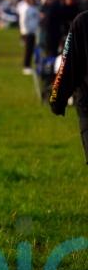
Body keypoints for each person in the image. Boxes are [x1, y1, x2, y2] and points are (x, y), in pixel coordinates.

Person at [49, 11, 88, 165]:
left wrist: (56, 99)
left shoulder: (82, 22)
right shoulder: (82, 22)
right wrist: (57, 98)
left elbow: (67, 65)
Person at [17, 0, 39, 75]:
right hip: (28, 32)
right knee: (28, 50)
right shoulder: (25, 9)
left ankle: (29, 65)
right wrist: (24, 32)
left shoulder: (34, 8)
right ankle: (26, 67)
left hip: (33, 31)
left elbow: (36, 19)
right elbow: (23, 21)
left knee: (31, 49)